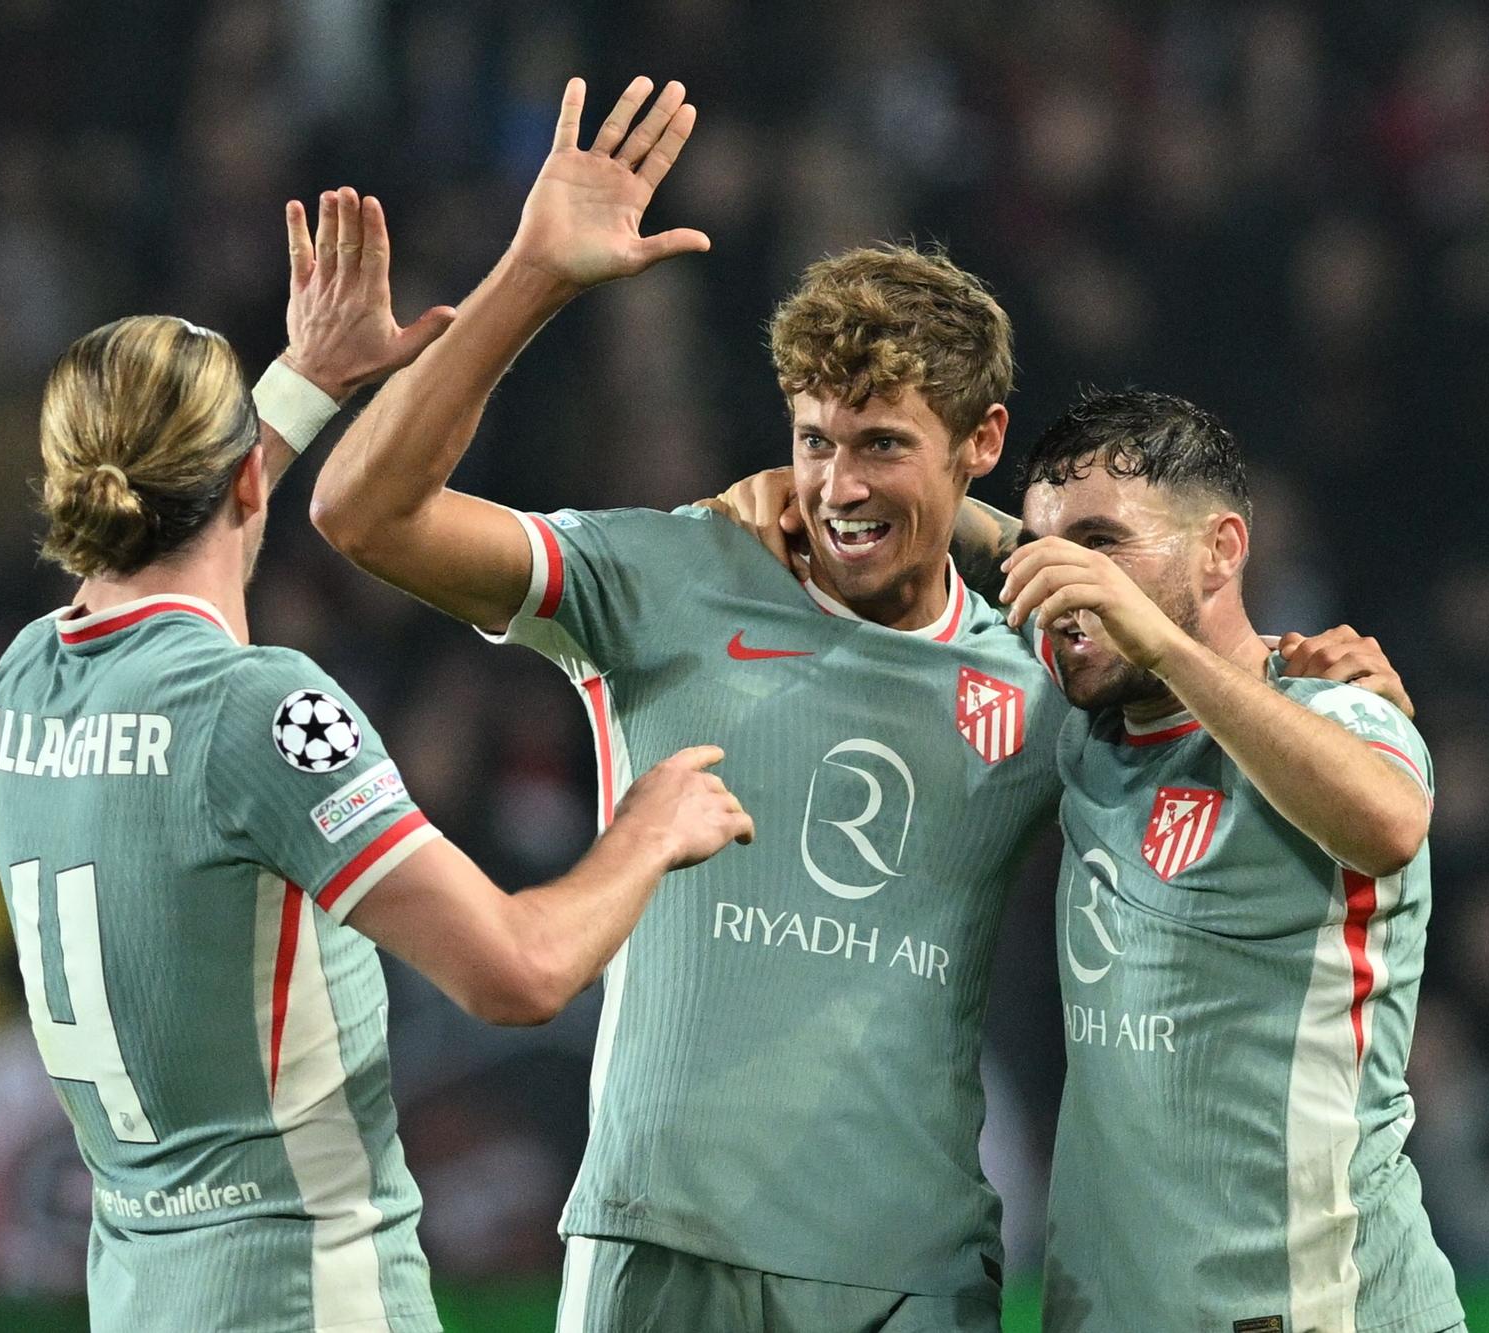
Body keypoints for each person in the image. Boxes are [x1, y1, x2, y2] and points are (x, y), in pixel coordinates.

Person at [309, 77, 1406, 1331]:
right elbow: (363, 515)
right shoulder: (666, 574)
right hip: (657, 1241)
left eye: (881, 442)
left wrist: (1304, 670)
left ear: (980, 439)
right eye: (814, 439)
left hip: (908, 1275)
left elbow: (1205, 683)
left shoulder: (1043, 669)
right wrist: (534, 278)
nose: (834, 483)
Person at [0, 187, 754, 1333]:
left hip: (143, 1297)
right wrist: (646, 827)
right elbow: (517, 972)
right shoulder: (259, 711)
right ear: (245, 481)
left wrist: (301, 385)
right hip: (309, 1297)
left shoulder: (20, 686)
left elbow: (166, 532)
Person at [995, 389, 1464, 1333]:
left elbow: (1389, 822)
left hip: (1325, 1310)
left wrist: (1162, 643)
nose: (1068, 584)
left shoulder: (1340, 713)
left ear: (1222, 549)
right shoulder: (1080, 734)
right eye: (1045, 552)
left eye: (1103, 545)